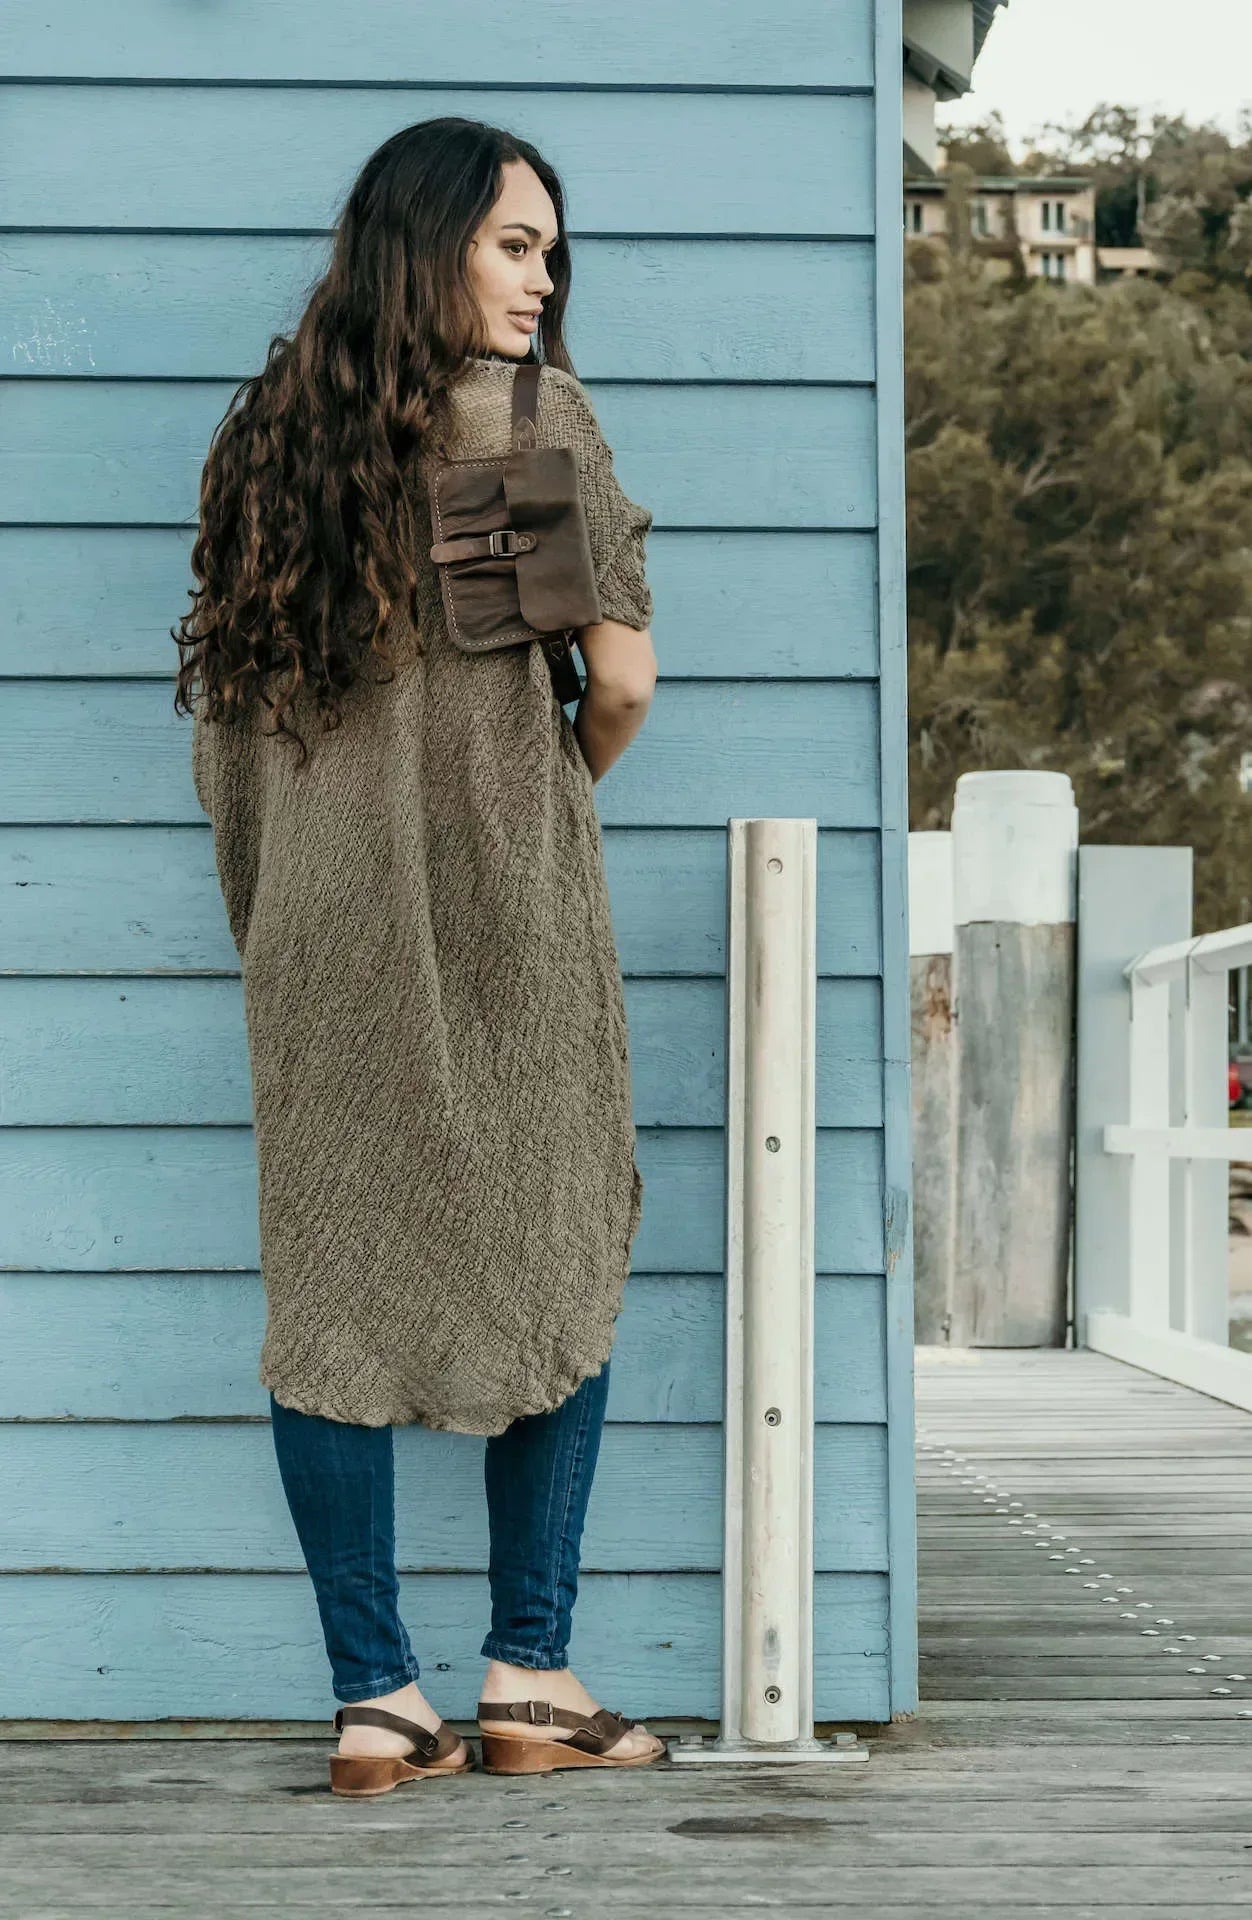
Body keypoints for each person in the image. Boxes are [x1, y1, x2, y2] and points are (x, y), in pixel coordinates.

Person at [173, 115, 666, 1793]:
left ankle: (374, 1699)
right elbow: (620, 689)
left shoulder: (266, 442)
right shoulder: (531, 426)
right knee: (558, 1224)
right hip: (503, 913)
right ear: (429, 242)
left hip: (312, 927)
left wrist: (280, 909)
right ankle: (530, 1672)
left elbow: (228, 739)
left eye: (550, 252)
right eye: (515, 245)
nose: (543, 280)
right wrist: (541, 815)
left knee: (329, 1284)